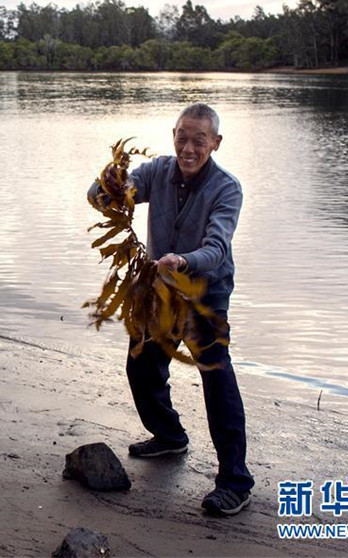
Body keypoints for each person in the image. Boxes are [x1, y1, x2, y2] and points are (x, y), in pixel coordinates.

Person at [87, 103, 253, 516]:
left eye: (199, 140)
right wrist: (108, 184)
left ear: (216, 143)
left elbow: (217, 248)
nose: (189, 148)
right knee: (141, 366)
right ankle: (170, 436)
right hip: (158, 291)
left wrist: (182, 261)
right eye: (182, 138)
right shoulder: (157, 171)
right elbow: (102, 197)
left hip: (205, 295)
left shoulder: (227, 189)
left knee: (217, 378)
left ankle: (235, 481)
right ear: (173, 136)